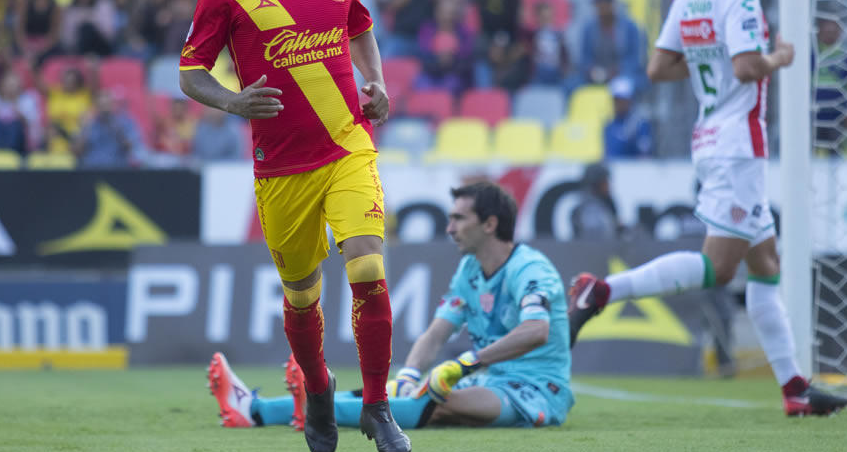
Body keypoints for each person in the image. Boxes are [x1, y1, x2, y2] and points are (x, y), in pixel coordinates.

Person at [567, 0, 847, 417]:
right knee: (719, 268)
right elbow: (746, 68)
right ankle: (603, 289)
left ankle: (795, 390)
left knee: (765, 265)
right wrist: (778, 59)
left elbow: (658, 68)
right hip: (737, 147)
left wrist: (708, 67)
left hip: (713, 139)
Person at [179, 0, 408, 452]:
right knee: (302, 297)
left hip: (347, 147)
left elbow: (360, 27)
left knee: (367, 267)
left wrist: (376, 80)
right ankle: (320, 388)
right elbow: (190, 73)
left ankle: (378, 405)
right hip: (281, 169)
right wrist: (232, 100)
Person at [208, 181, 574, 432]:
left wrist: (466, 363)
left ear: (490, 224)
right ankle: (251, 410)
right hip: (488, 379)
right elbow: (436, 333)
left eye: (459, 219)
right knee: (400, 392)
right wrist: (411, 374)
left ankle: (268, 411)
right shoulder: (470, 269)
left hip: (534, 390)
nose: (449, 228)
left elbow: (537, 330)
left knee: (432, 404)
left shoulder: (530, 269)